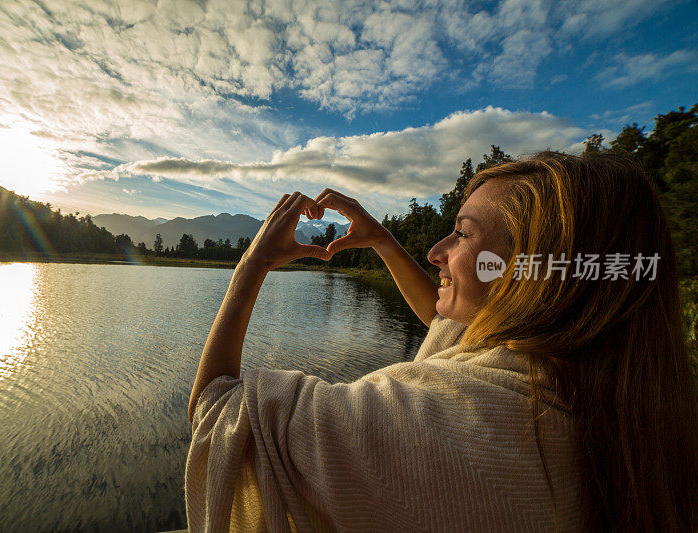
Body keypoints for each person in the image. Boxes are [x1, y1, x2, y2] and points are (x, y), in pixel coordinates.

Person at [185, 151, 698, 531]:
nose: (436, 250)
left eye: (462, 233)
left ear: (531, 276)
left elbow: (218, 411)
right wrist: (382, 241)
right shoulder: (617, 395)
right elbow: (445, 316)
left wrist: (252, 266)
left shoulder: (440, 425)